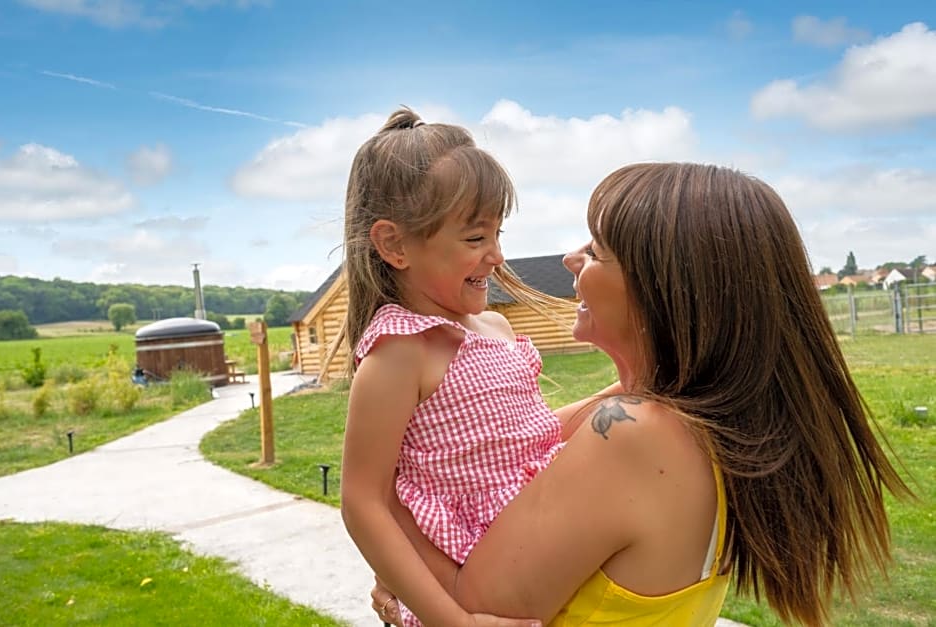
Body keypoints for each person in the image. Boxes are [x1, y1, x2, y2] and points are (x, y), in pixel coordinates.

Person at [373, 162, 911, 626]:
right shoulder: (696, 416)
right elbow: (514, 439)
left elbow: (478, 610)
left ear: (667, 286)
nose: (570, 259)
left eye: (598, 249)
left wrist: (389, 515)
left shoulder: (636, 436)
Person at [338, 107, 608, 627]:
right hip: (468, 588)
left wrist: (622, 394)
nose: (497, 256)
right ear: (395, 245)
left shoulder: (496, 330)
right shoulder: (400, 350)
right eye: (475, 239)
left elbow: (534, 437)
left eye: (498, 234)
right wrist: (453, 623)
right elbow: (363, 503)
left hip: (532, 547)